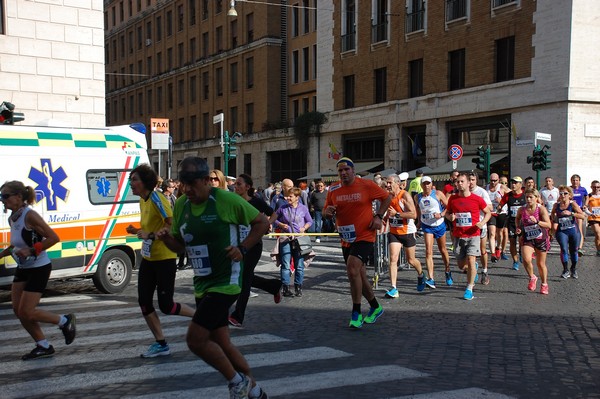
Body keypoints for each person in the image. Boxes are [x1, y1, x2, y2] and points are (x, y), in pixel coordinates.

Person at [156, 156, 270, 399]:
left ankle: (236, 381)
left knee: (195, 340)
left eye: (192, 183)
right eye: (182, 184)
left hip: (226, 282)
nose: (187, 189)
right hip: (202, 284)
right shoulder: (182, 205)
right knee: (222, 343)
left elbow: (261, 223)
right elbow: (179, 248)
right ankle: (255, 390)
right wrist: (166, 238)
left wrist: (243, 248)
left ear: (207, 180)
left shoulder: (225, 200)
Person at [0, 180, 76, 360]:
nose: (2, 200)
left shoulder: (30, 215)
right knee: (19, 311)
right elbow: (18, 242)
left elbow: (54, 237)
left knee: (27, 311)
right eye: (0, 197)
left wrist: (32, 250)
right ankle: (43, 345)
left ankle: (65, 321)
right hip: (23, 267)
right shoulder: (13, 217)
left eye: (5, 196)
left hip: (39, 268)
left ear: (18, 197)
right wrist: (5, 252)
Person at [126, 164, 195, 358]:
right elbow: (150, 225)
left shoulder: (157, 198)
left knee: (166, 305)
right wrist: (138, 231)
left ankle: (201, 318)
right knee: (144, 302)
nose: (131, 183)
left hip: (164, 258)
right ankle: (161, 343)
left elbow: (171, 225)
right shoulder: (142, 200)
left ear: (145, 182)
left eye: (134, 180)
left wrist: (151, 235)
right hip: (148, 258)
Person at [323, 157, 391, 328]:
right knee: (359, 275)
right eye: (340, 171)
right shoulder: (333, 188)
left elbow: (387, 198)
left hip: (365, 235)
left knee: (352, 268)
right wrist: (327, 212)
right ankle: (375, 306)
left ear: (353, 171)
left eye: (347, 169)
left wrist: (378, 216)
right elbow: (326, 210)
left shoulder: (366, 185)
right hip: (346, 237)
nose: (344, 173)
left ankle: (356, 312)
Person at [228, 173, 282, 328]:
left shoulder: (256, 202)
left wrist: (266, 225)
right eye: (235, 184)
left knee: (244, 278)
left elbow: (274, 213)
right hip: (238, 243)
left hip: (254, 246)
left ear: (248, 187)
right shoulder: (232, 202)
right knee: (243, 275)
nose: (236, 186)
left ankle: (237, 316)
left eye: (239, 184)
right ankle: (272, 286)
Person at [445, 172, 491, 300]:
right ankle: (473, 268)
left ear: (468, 183)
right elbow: (447, 213)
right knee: (461, 265)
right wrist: (450, 217)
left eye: (462, 181)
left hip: (473, 234)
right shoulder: (453, 199)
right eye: (457, 182)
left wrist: (482, 223)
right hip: (458, 235)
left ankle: (469, 288)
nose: (459, 184)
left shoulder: (476, 199)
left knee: (471, 260)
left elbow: (488, 212)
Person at [383, 174, 425, 297]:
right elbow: (387, 211)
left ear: (398, 183)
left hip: (407, 232)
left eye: (390, 183)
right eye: (387, 183)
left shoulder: (405, 196)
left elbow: (413, 215)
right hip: (394, 232)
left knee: (411, 260)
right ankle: (393, 288)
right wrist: (384, 219)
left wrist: (397, 214)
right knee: (393, 259)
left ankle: (421, 274)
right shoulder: (388, 197)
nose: (388, 185)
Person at [269, 187, 313, 297]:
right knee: (285, 264)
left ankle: (298, 286)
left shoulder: (303, 208)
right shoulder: (282, 208)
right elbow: (274, 218)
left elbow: (310, 221)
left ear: (297, 198)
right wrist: (280, 224)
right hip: (285, 238)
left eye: (291, 196)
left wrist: (304, 227)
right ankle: (285, 288)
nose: (288, 198)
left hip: (299, 239)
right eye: (288, 196)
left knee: (299, 265)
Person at [414, 176, 452, 287]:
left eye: (428, 183)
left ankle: (447, 271)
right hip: (427, 226)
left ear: (431, 184)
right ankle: (431, 278)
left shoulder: (438, 194)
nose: (426, 186)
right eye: (424, 184)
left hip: (439, 225)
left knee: (443, 250)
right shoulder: (417, 197)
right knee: (428, 251)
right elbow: (419, 209)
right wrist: (419, 222)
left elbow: (448, 207)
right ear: (421, 185)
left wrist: (441, 214)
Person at [515, 188, 552, 294]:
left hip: (541, 238)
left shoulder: (541, 209)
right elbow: (517, 218)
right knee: (526, 259)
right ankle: (532, 277)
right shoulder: (522, 209)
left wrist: (537, 221)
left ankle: (544, 284)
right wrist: (518, 227)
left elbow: (548, 225)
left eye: (531, 197)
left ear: (536, 198)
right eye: (527, 197)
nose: (529, 199)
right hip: (528, 237)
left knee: (541, 264)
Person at [551, 185, 585, 279]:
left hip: (573, 230)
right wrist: (554, 220)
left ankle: (573, 268)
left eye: (565, 193)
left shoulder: (572, 204)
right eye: (561, 193)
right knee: (564, 249)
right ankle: (565, 270)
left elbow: (582, 216)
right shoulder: (556, 205)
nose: (563, 195)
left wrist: (572, 213)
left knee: (574, 251)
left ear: (569, 195)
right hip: (562, 231)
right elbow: (552, 213)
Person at [468, 172, 493, 285]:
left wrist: (477, 205)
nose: (471, 182)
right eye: (469, 179)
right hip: (467, 227)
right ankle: (473, 269)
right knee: (469, 253)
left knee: (482, 250)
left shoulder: (481, 192)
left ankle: (484, 271)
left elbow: (490, 207)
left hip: (480, 225)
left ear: (476, 180)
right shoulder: (463, 192)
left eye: (473, 179)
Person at [497, 176, 526, 271]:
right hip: (512, 222)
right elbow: (501, 204)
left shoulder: (525, 195)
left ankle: (521, 253)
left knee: (522, 241)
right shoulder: (508, 195)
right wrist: (499, 207)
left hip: (523, 223)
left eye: (515, 183)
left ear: (520, 185)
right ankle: (515, 261)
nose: (513, 185)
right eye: (512, 183)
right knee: (512, 242)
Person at [486, 173, 504, 263]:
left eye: (495, 181)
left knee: (499, 233)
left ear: (498, 180)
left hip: (501, 212)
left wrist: (501, 201)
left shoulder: (502, 187)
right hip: (491, 213)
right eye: (491, 180)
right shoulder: (486, 187)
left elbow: (509, 196)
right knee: (492, 233)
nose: (493, 182)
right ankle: (493, 254)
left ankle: (498, 247)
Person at [570, 174, 588, 255]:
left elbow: (587, 197)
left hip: (579, 211)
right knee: (572, 229)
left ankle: (579, 248)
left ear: (579, 181)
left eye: (577, 180)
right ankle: (573, 246)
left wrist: (585, 205)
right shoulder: (569, 189)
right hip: (570, 211)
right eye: (573, 180)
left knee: (580, 229)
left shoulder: (583, 189)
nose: (575, 182)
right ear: (571, 181)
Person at [496, 175, 510, 260]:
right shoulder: (496, 190)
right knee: (498, 232)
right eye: (502, 182)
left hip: (506, 213)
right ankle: (498, 247)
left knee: (505, 232)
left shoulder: (509, 191)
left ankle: (503, 251)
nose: (503, 184)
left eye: (505, 183)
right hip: (497, 213)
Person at [587, 180, 600, 256]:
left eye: (598, 187)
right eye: (594, 187)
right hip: (593, 218)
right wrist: (590, 214)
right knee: (598, 234)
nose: (596, 188)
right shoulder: (589, 196)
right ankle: (599, 250)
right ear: (591, 187)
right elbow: (585, 208)